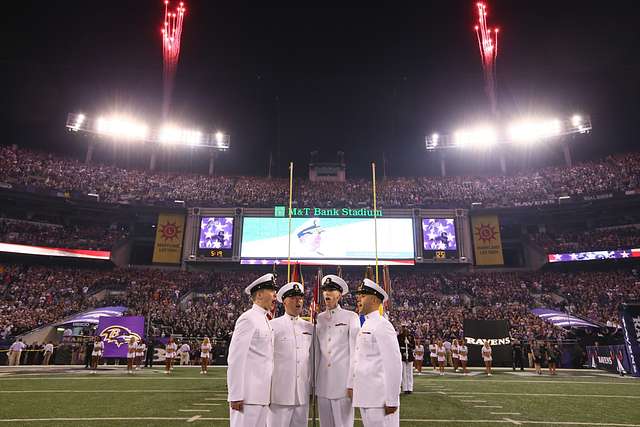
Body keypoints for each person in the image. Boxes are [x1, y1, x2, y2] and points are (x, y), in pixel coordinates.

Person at [227, 273, 277, 427]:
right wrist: (235, 394)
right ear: (260, 294)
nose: (275, 295)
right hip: (248, 396)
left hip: (262, 395)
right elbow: (236, 358)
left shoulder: (264, 319)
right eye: (272, 291)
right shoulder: (248, 318)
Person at [351, 278, 402, 427]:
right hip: (367, 396)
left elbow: (393, 364)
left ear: (374, 300)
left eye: (363, 296)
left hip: (380, 400)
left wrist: (392, 399)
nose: (358, 299)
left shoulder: (382, 325)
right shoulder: (367, 323)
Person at [267, 281, 314, 427]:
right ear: (284, 301)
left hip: (302, 394)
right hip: (278, 394)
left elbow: (311, 360)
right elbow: (267, 360)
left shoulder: (310, 327)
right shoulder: (272, 326)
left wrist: (312, 387)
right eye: (293, 298)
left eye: (300, 298)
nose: (298, 301)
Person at [316, 274, 360, 427]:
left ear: (339, 295)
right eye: (325, 290)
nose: (327, 293)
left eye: (331, 290)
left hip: (343, 384)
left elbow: (356, 351)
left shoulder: (351, 317)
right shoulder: (318, 318)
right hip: (322, 383)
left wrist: (352, 382)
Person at [398, 326, 415, 394]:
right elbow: (398, 346)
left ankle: (410, 388)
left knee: (409, 372)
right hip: (403, 354)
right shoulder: (399, 336)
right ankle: (405, 388)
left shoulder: (411, 336)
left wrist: (409, 344)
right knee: (403, 372)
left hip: (409, 354)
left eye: (406, 328)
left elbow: (413, 346)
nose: (405, 329)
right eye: (403, 328)